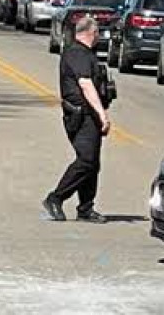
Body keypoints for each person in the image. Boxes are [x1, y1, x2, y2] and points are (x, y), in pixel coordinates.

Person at [43, 15, 112, 223]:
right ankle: (55, 198)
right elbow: (85, 84)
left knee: (93, 163)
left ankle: (85, 208)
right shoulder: (77, 53)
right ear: (92, 32)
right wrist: (102, 113)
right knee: (86, 160)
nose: (99, 36)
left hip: (89, 114)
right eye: (98, 32)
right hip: (81, 115)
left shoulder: (85, 54)